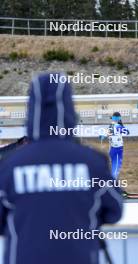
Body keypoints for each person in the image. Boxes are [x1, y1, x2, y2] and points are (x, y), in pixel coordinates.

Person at [0, 73, 123, 264]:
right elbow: (114, 210)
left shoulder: (10, 164)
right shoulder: (92, 162)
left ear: (31, 110)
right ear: (69, 110)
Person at [108, 112, 129, 179]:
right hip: (114, 148)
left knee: (115, 167)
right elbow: (108, 134)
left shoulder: (116, 126)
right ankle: (113, 183)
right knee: (114, 167)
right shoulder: (112, 125)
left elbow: (127, 132)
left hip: (116, 148)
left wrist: (121, 127)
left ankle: (113, 182)